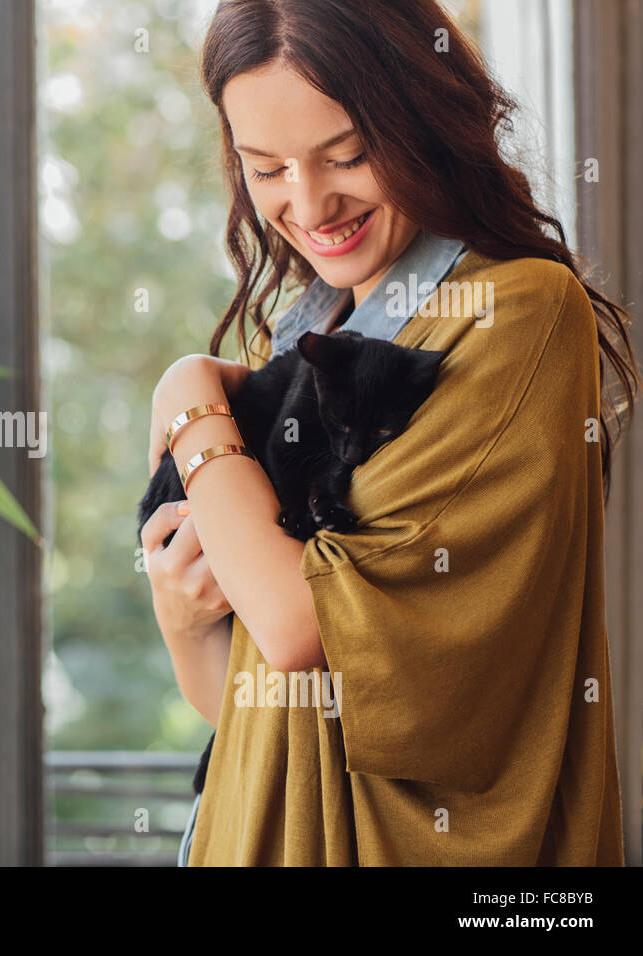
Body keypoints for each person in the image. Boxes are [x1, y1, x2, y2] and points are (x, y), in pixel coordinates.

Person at [141, 0, 638, 865]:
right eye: (266, 169)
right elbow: (255, 706)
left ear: (423, 119)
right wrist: (184, 622)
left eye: (348, 156)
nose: (310, 204)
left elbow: (298, 625)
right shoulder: (307, 326)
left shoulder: (512, 311)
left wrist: (187, 395)